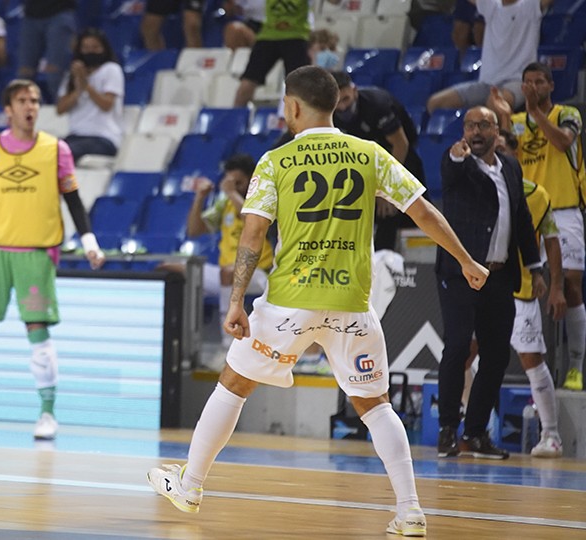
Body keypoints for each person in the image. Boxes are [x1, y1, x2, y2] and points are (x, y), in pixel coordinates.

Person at [147, 66, 489, 537]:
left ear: (292, 106)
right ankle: (410, 510)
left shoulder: (275, 161)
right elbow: (424, 212)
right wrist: (467, 260)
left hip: (289, 303)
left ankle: (191, 485)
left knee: (232, 385)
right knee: (376, 406)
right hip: (351, 305)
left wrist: (237, 300)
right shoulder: (369, 153)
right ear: (335, 104)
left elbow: (253, 234)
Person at [0, 79, 106, 440]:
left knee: (39, 332)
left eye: (34, 100)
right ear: (8, 109)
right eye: (22, 100)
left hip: (36, 253)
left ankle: (47, 414)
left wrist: (89, 241)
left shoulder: (56, 150)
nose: (30, 106)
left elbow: (74, 201)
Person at [435, 106, 542, 461]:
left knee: (496, 354)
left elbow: (523, 220)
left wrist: (536, 266)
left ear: (498, 131)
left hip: (499, 274)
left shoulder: (510, 166)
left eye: (483, 125)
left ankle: (476, 433)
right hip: (460, 273)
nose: (475, 131)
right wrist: (455, 155)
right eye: (470, 125)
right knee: (458, 346)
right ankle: (448, 429)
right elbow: (448, 173)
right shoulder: (458, 163)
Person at [490, 62, 586, 392]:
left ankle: (576, 366)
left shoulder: (567, 114)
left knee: (571, 286)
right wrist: (505, 117)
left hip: (563, 208)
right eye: (527, 82)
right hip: (527, 210)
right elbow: (507, 151)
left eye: (539, 82)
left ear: (551, 85)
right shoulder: (515, 122)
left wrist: (534, 112)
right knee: (524, 283)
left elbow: (562, 143)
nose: (533, 87)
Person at [497, 129, 566, 456]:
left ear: (517, 155)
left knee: (531, 360)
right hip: (483, 288)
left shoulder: (538, 195)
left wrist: (555, 286)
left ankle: (551, 435)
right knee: (462, 354)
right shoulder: (476, 187)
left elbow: (552, 241)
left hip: (521, 289)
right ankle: (474, 426)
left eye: (504, 151)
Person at [185, 154, 274, 360]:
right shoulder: (224, 205)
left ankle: (228, 343)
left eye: (238, 182)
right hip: (227, 273)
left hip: (259, 273)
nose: (232, 185)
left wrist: (232, 192)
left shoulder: (263, 199)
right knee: (175, 270)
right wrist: (200, 197)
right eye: (230, 181)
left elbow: (253, 220)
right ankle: (186, 345)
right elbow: (194, 231)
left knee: (229, 272)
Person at [332, 71, 426, 251]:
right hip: (364, 162)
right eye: (338, 103)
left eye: (346, 99)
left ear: (355, 91)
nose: (343, 107)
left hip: (399, 157)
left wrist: (387, 190)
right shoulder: (329, 113)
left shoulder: (377, 105)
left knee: (398, 209)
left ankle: (401, 264)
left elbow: (400, 144)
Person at [426, 0, 551, 113]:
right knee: (435, 103)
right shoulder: (491, 5)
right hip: (487, 84)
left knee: (495, 104)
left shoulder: (529, 5)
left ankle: (505, 137)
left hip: (518, 81)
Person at [55, 28, 124, 163]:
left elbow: (107, 105)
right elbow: (60, 109)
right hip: (75, 136)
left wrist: (86, 85)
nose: (90, 52)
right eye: (86, 48)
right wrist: (78, 88)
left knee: (64, 153)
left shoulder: (111, 69)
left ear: (103, 49)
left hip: (103, 138)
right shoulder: (71, 75)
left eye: (95, 47)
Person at [233, 0, 311, 107]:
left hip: (288, 37)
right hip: (284, 36)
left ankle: (235, 118)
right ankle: (235, 117)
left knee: (298, 84)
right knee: (249, 80)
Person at [18, 0, 76, 101]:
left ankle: (62, 109)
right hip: (31, 15)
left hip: (59, 11)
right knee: (25, 72)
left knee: (55, 72)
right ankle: (26, 110)